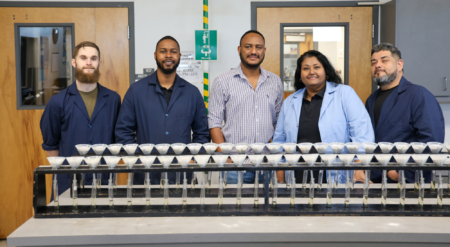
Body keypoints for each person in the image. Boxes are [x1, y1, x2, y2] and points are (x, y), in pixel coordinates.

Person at [115, 36, 210, 184]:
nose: (168, 55)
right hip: (145, 175)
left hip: (183, 176)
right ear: (155, 55)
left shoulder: (193, 93)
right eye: (163, 51)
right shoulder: (136, 91)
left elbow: (202, 133)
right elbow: (123, 131)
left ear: (179, 56)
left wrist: (193, 157)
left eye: (173, 51)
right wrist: (136, 158)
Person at [272, 50, 374, 184]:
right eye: (306, 68)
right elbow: (279, 142)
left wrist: (360, 166)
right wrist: (280, 178)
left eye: (317, 67)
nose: (311, 72)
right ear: (300, 75)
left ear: (326, 72)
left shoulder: (345, 94)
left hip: (334, 175)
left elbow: (362, 133)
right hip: (296, 176)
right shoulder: (290, 101)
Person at [41, 41, 121, 195]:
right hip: (68, 182)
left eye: (93, 58)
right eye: (83, 58)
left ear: (99, 63)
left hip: (104, 181)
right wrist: (69, 167)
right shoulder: (57, 102)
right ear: (74, 62)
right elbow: (51, 146)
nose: (89, 62)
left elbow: (118, 139)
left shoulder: (113, 99)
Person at [358, 43, 444, 184]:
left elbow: (432, 142)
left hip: (408, 183)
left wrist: (402, 172)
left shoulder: (418, 95)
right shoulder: (371, 100)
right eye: (374, 62)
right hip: (375, 181)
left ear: (399, 64)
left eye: (384, 60)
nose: (378, 65)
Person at [208, 30, 284, 184]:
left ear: (264, 50)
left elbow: (278, 123)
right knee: (235, 207)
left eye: (258, 47)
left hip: (266, 164)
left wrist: (276, 159)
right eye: (248, 47)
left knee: (268, 207)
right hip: (235, 166)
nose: (253, 51)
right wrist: (226, 159)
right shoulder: (223, 81)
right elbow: (214, 123)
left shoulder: (275, 81)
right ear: (239, 50)